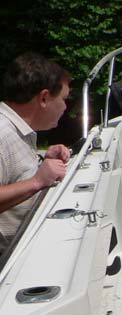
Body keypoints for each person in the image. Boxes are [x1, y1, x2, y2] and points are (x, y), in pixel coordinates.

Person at [0, 52, 71, 251]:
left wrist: (42, 160)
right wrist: (37, 181)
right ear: (44, 98)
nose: (65, 107)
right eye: (63, 99)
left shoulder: (17, 130)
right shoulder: (2, 133)